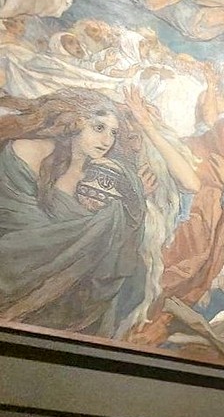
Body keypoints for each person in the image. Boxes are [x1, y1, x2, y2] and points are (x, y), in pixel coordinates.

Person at [0, 89, 147, 337]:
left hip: (76, 287)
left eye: (113, 133)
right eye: (98, 128)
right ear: (75, 122)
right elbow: (19, 225)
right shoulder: (30, 150)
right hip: (21, 265)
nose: (107, 140)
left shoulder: (100, 175)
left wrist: (129, 200)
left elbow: (119, 238)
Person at [131, 118, 224, 345]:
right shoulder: (191, 148)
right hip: (173, 235)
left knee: (185, 283)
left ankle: (154, 326)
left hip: (205, 245)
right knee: (157, 279)